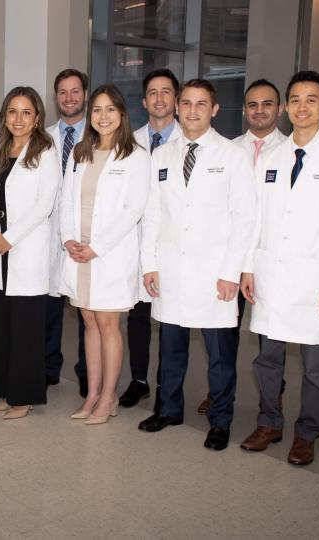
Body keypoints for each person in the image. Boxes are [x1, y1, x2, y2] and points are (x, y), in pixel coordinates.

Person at [239, 71, 319, 466]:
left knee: (313, 366)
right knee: (267, 358)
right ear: (286, 107)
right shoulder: (271, 157)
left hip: (314, 280)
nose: (302, 107)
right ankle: (269, 421)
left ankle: (307, 431)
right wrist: (247, 268)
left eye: (311, 99)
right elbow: (254, 218)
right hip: (270, 274)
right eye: (295, 99)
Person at [135, 79, 256, 451]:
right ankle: (169, 408)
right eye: (185, 103)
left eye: (200, 104)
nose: (191, 110)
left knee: (220, 355)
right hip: (171, 268)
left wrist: (230, 272)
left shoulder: (233, 155)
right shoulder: (162, 155)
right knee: (170, 348)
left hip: (214, 273)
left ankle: (220, 420)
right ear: (176, 108)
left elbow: (245, 218)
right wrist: (149, 264)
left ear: (215, 110)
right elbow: (152, 214)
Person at [59, 84, 150, 425]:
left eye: (110, 109)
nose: (103, 116)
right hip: (78, 252)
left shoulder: (136, 155)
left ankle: (109, 396)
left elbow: (133, 208)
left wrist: (96, 246)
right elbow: (66, 199)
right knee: (88, 321)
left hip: (108, 253)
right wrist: (69, 238)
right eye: (96, 109)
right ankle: (93, 393)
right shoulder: (81, 152)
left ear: (122, 114)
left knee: (108, 323)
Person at [197, 78, 289, 416]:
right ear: (244, 110)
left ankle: (273, 395)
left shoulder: (292, 150)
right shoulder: (229, 150)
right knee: (223, 334)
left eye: (267, 104)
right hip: (230, 258)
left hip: (270, 259)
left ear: (279, 109)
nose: (259, 110)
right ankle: (219, 392)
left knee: (270, 336)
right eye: (252, 104)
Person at [0, 86, 60, 420]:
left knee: (25, 329)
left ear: (37, 117)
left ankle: (24, 396)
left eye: (26, 112)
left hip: (25, 250)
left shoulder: (45, 151)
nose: (18, 118)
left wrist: (10, 237)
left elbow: (44, 204)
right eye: (12, 111)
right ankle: (5, 389)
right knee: (2, 327)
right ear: (4, 116)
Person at [121, 68, 184, 411]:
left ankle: (167, 386)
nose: (159, 99)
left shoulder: (187, 143)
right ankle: (139, 379)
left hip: (173, 246)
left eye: (166, 92)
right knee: (138, 317)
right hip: (137, 243)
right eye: (153, 93)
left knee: (170, 321)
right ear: (144, 101)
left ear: (176, 99)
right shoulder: (131, 142)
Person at [44, 68, 87, 394]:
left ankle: (87, 371)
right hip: (47, 232)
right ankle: (48, 366)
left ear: (84, 95)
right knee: (50, 307)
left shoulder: (99, 137)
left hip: (84, 234)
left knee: (88, 308)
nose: (69, 98)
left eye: (75, 91)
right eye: (63, 92)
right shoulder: (43, 137)